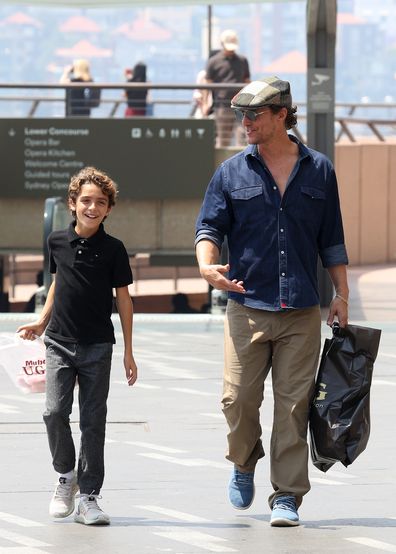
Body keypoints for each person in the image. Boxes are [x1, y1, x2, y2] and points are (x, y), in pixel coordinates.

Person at [195, 76, 349, 527]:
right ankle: (244, 461)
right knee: (237, 399)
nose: (245, 123)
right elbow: (209, 229)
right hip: (246, 307)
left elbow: (332, 241)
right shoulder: (230, 172)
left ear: (282, 115)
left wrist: (340, 294)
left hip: (301, 311)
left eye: (254, 115)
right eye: (242, 115)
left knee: (293, 406)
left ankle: (286, 496)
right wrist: (207, 266)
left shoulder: (319, 170)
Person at [17, 166, 138, 526]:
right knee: (54, 412)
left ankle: (89, 497)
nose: (92, 207)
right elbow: (58, 282)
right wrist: (42, 321)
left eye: (100, 202)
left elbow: (125, 300)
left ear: (109, 208)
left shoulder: (114, 249)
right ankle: (66, 475)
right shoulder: (56, 241)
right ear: (73, 203)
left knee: (93, 421)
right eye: (85, 200)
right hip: (58, 343)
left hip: (98, 346)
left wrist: (129, 350)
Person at [204, 30, 250, 147]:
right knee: (223, 139)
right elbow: (207, 85)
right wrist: (205, 104)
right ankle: (222, 164)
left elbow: (247, 81)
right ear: (222, 44)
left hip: (240, 106)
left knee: (242, 138)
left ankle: (244, 163)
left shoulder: (242, 60)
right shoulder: (213, 62)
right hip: (222, 106)